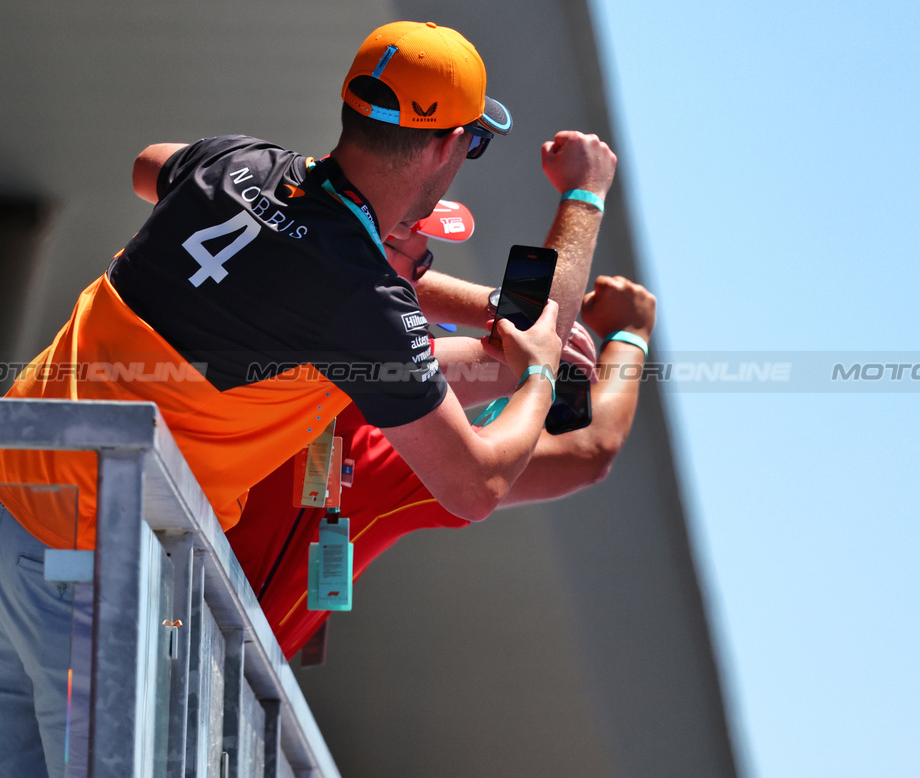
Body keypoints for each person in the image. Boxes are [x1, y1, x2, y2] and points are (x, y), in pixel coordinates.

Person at [0, 20, 614, 778]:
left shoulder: (237, 164)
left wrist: (487, 316)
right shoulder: (358, 304)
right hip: (88, 565)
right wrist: (543, 345)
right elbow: (475, 485)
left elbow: (149, 166)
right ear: (448, 146)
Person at [227, 209, 657, 660]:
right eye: (401, 246)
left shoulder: (386, 451)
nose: (415, 279)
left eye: (425, 261)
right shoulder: (284, 345)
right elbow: (517, 356)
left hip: (218, 688)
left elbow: (585, 451)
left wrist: (626, 338)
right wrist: (584, 197)